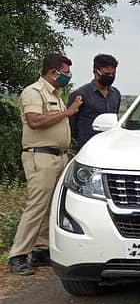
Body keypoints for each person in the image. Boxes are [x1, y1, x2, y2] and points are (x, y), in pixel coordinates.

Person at [8, 54, 82, 276]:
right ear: (53, 73)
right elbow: (34, 121)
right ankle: (18, 255)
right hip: (40, 156)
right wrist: (67, 113)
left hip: (58, 156)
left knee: (51, 205)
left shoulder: (56, 94)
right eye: (66, 73)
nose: (68, 77)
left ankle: (41, 250)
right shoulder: (34, 92)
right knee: (37, 205)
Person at [68, 54, 121, 149]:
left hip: (109, 146)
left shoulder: (115, 94)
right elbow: (71, 124)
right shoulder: (80, 94)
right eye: (106, 74)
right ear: (95, 72)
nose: (110, 77)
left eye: (113, 74)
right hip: (87, 147)